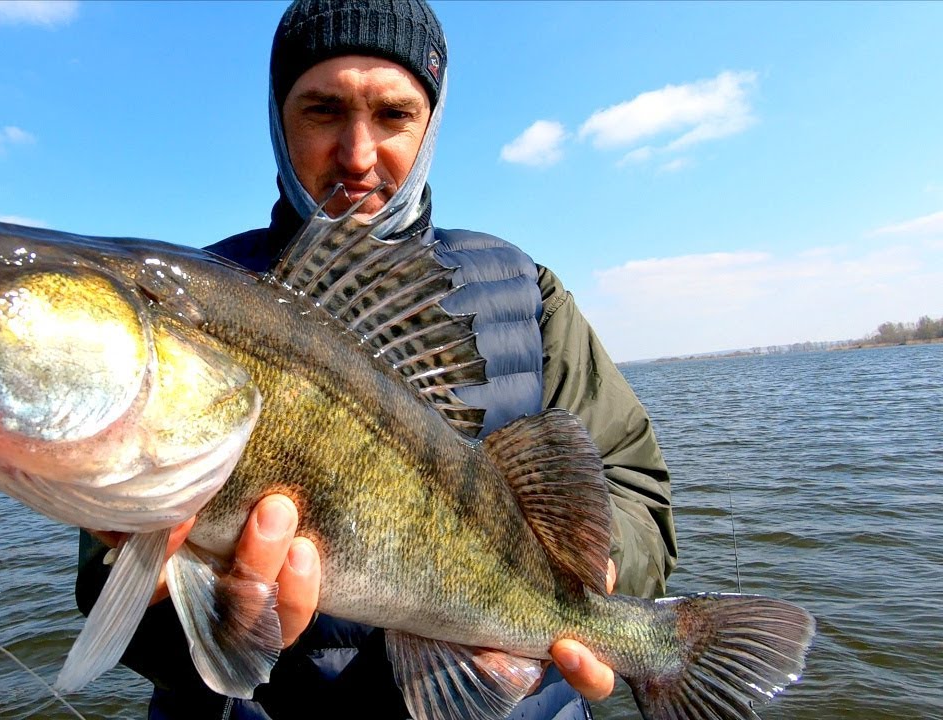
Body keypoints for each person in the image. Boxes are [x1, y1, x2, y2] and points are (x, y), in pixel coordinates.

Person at [77, 1, 677, 718]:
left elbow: (635, 484)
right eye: (322, 111)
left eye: (393, 114)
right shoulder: (189, 311)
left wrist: (601, 568)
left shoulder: (529, 290)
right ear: (278, 120)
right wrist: (197, 629)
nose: (357, 155)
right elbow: (109, 592)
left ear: (430, 127)